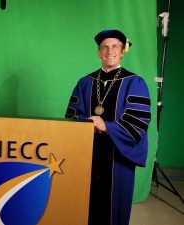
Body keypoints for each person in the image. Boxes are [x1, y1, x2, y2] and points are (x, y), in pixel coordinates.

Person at [65, 29, 151, 225]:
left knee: (115, 208)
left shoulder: (134, 83)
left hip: (118, 157)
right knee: (86, 205)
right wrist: (86, 125)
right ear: (99, 53)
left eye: (115, 47)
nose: (109, 51)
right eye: (104, 47)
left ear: (122, 52)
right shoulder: (85, 82)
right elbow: (71, 115)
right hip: (88, 154)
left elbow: (138, 121)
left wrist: (107, 127)